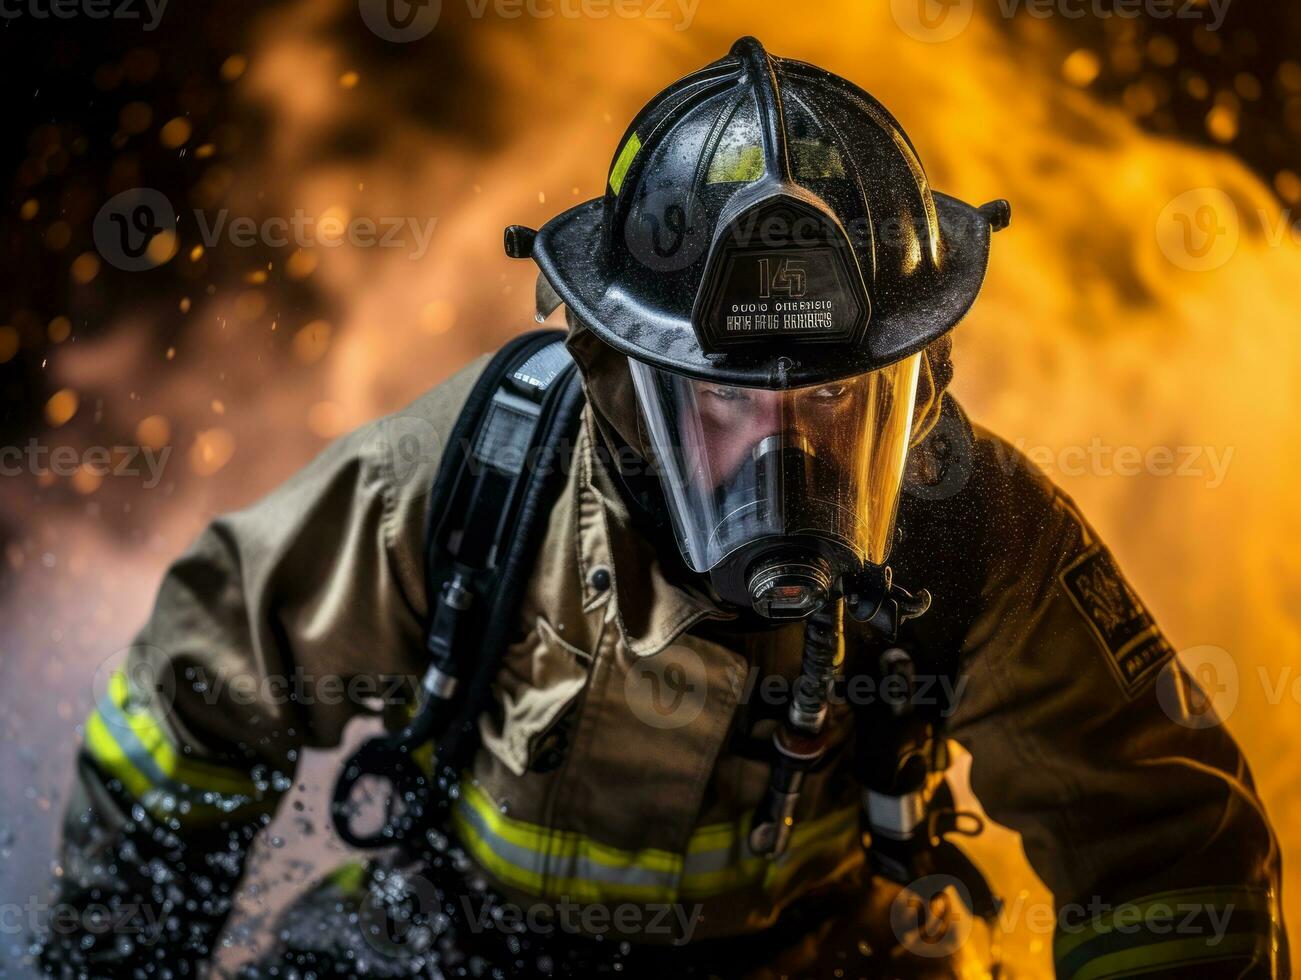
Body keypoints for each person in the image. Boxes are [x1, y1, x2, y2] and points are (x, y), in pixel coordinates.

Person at [37, 37, 1284, 980]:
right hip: (462, 949)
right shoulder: (473, 475)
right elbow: (185, 704)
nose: (781, 451)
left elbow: (1165, 849)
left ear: (923, 377)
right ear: (614, 381)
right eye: (725, 404)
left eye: (836, 402)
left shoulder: (969, 532)